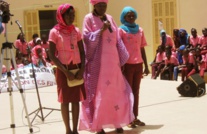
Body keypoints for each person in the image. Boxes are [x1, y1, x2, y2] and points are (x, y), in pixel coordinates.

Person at [79, 1, 134, 134]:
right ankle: (99, 126)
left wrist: (122, 58)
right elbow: (86, 38)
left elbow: (117, 38)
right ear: (94, 6)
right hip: (98, 65)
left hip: (113, 62)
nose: (103, 8)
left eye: (104, 5)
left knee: (116, 92)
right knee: (101, 94)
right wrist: (100, 30)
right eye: (100, 5)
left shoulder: (109, 18)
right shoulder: (88, 18)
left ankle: (118, 122)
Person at [48, 4, 86, 134]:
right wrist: (65, 71)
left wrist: (82, 69)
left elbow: (82, 51)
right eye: (68, 15)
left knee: (76, 100)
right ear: (61, 16)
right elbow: (52, 54)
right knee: (65, 101)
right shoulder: (54, 32)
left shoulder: (76, 31)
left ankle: (75, 130)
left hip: (77, 69)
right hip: (63, 70)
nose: (71, 17)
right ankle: (68, 130)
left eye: (73, 15)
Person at [118, 6, 149, 128]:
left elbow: (142, 49)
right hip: (127, 65)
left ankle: (135, 117)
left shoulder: (140, 30)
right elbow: (118, 49)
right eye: (128, 15)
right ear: (123, 17)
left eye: (133, 15)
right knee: (127, 92)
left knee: (136, 92)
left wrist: (146, 65)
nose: (131, 17)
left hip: (138, 64)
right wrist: (120, 64)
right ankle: (127, 118)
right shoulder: (121, 30)